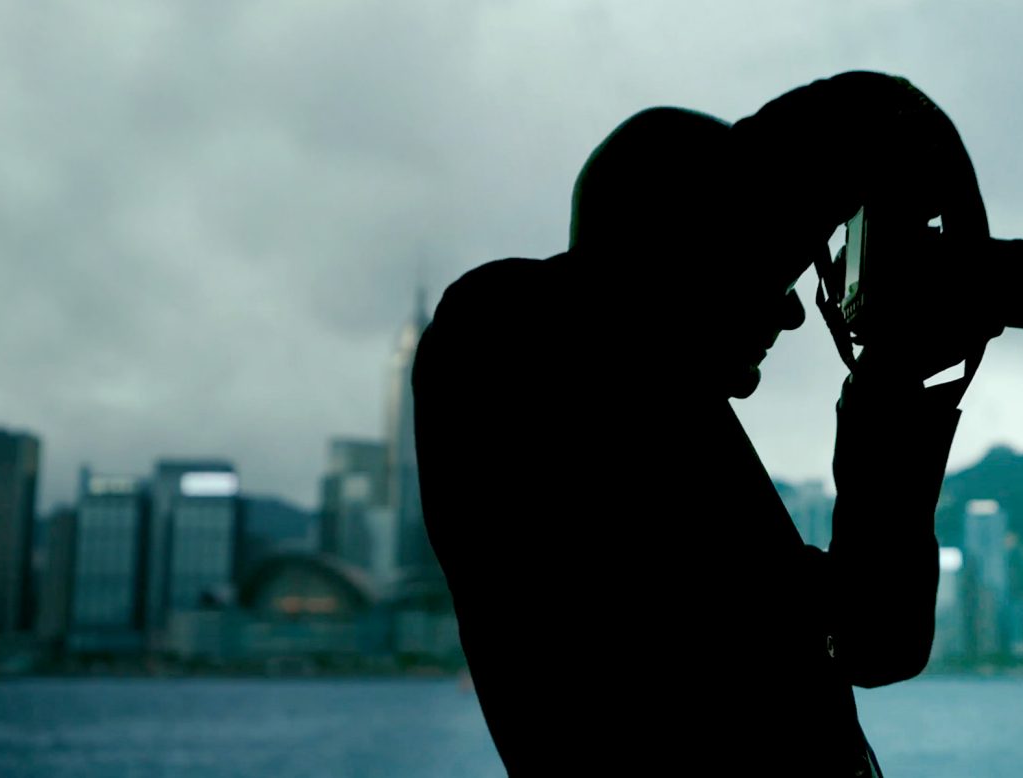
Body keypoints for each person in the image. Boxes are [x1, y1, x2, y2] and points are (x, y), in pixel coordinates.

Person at [413, 73, 986, 775]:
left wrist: (891, 393)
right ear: (690, 242)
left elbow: (878, 639)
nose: (793, 312)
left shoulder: (665, 434)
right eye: (775, 276)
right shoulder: (501, 334)